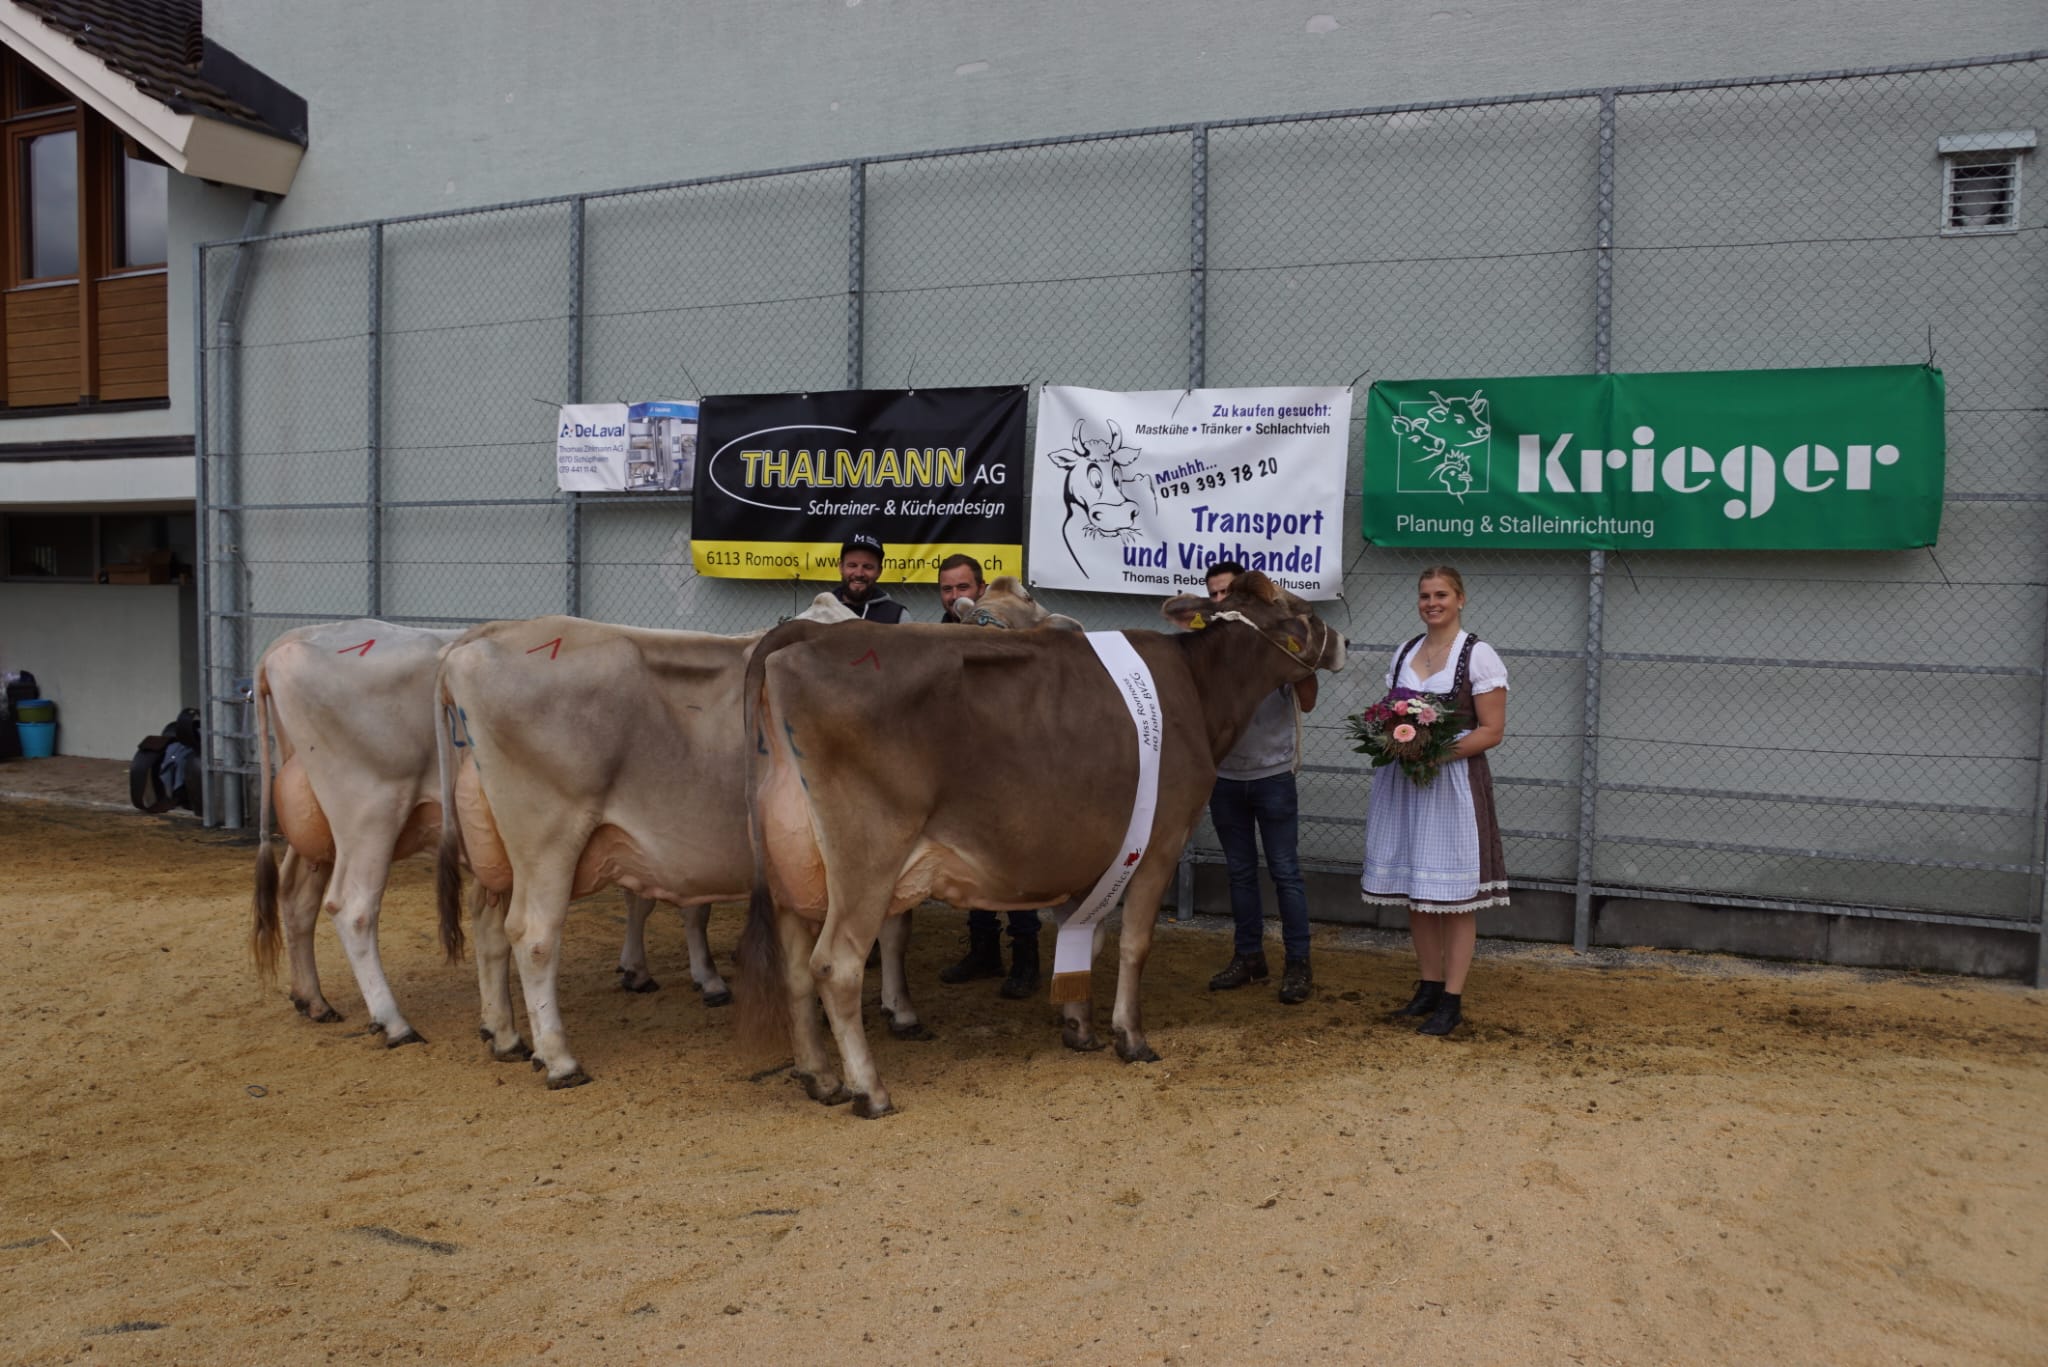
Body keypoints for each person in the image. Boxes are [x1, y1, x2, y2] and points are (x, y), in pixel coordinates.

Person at [1359, 564, 1509, 1038]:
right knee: (1416, 890)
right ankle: (1427, 985)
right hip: (1406, 782)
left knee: (1455, 899)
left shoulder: (1479, 656)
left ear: (1460, 599)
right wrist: (1394, 740)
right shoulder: (1406, 651)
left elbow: (1492, 731)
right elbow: (1392, 714)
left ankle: (1452, 998)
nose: (1432, 603)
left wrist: (1433, 752)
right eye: (1425, 595)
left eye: (1441, 594)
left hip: (1453, 784)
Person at [1200, 560, 1317, 1006]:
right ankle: (1249, 957)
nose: (1219, 601)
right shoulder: (1205, 649)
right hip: (1225, 777)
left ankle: (1299, 963)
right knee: (1240, 873)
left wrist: (1300, 659)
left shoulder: (1277, 639)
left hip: (1272, 776)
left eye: (1226, 592)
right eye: (1212, 595)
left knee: (1285, 872)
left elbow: (1306, 703)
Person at [932, 553, 1042, 998]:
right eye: (946, 589)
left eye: (963, 587)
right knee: (971, 865)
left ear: (980, 589)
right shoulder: (935, 638)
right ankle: (984, 952)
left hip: (1013, 772)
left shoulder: (1020, 631)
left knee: (1015, 865)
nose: (955, 596)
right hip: (962, 774)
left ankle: (1026, 959)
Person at [831, 533, 908, 622]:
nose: (859, 574)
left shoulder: (897, 617)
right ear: (841, 567)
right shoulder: (818, 612)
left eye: (868, 567)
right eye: (852, 565)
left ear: (879, 571)